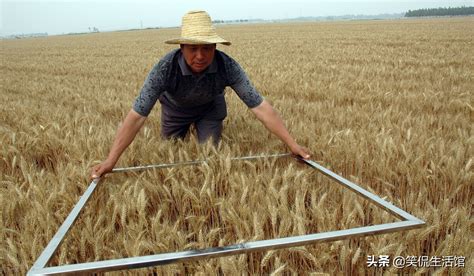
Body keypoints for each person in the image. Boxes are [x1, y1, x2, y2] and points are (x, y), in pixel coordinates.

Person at [91, 10, 310, 179]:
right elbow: (137, 115)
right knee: (171, 150)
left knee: (210, 156)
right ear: (182, 47)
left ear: (215, 47)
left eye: (207, 48)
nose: (200, 56)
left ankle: (204, 128)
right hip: (175, 110)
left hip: (210, 109)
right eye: (193, 48)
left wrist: (292, 144)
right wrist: (111, 160)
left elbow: (260, 107)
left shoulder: (228, 66)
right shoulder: (164, 68)